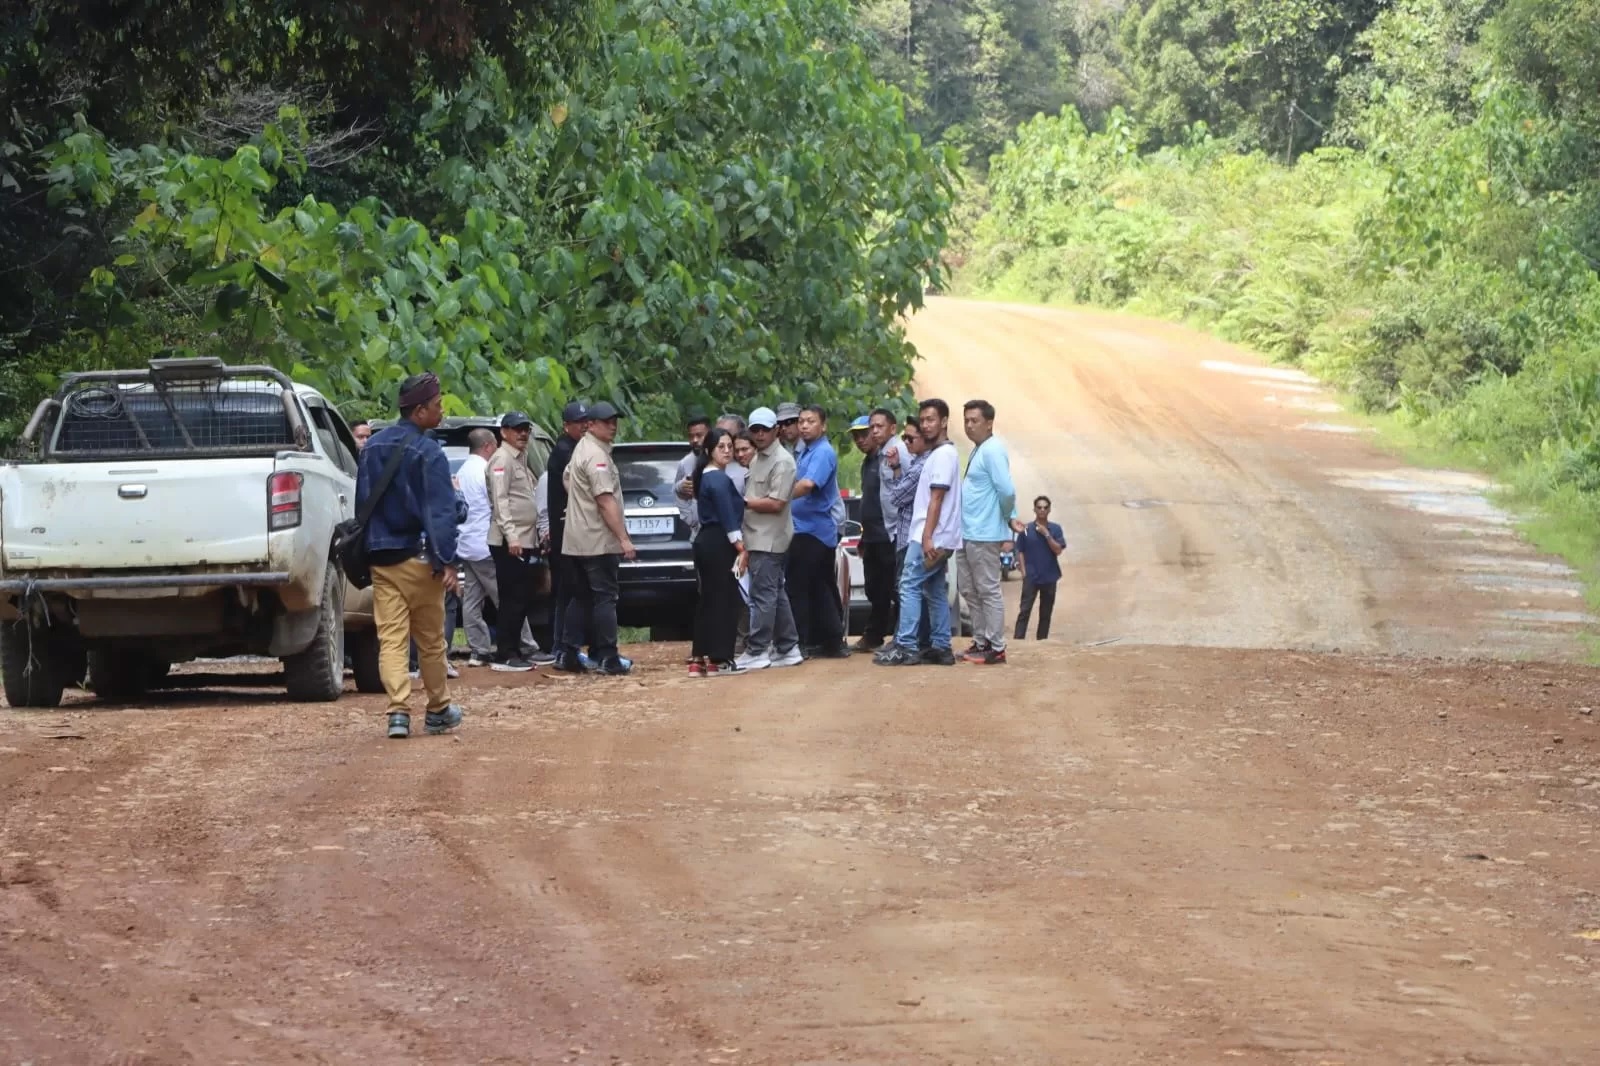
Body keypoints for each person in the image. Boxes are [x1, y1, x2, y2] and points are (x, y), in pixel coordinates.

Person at [355, 372, 464, 739]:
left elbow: (363, 504)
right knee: (431, 641)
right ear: (419, 411)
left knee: (391, 640)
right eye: (437, 405)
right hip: (419, 560)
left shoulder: (371, 447)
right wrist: (446, 560)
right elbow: (440, 512)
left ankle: (398, 714)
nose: (442, 410)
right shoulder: (429, 452)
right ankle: (438, 710)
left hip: (382, 558)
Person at [875, 398, 962, 667]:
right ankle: (941, 646)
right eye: (922, 420)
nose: (925, 425)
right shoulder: (938, 454)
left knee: (909, 584)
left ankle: (906, 645)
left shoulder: (943, 455)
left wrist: (926, 537)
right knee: (933, 588)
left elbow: (936, 498)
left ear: (944, 421)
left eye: (931, 419)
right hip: (938, 535)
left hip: (931, 536)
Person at [559, 401, 636, 675]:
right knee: (605, 597)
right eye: (606, 422)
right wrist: (623, 538)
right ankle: (609, 657)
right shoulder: (597, 456)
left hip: (578, 538)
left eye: (614, 421)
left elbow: (567, 479)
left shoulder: (581, 448)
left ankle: (568, 652)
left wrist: (581, 504)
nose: (612, 426)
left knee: (581, 597)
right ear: (590, 424)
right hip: (597, 540)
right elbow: (605, 500)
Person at [735, 407, 804, 671]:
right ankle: (787, 647)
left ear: (776, 430)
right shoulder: (758, 459)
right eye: (755, 430)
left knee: (762, 595)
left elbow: (777, 503)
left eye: (765, 429)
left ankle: (758, 649)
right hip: (756, 536)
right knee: (775, 593)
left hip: (770, 538)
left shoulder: (782, 461)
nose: (760, 434)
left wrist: (742, 502)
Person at [958, 399, 1023, 665]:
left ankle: (996, 647)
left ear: (989, 423)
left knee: (987, 589)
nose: (969, 425)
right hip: (968, 531)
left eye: (974, 420)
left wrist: (1009, 517)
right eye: (966, 420)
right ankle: (981, 641)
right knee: (969, 589)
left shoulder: (993, 449)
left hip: (984, 532)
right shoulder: (979, 449)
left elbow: (1006, 490)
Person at [787, 405, 847, 658]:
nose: (804, 426)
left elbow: (808, 485)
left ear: (823, 426)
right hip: (805, 529)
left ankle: (800, 642)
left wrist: (778, 496)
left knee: (800, 587)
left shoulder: (822, 452)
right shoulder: (806, 452)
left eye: (810, 421)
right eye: (801, 421)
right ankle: (831, 641)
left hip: (813, 531)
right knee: (820, 587)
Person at [486, 412, 544, 672]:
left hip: (523, 539)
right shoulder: (502, 459)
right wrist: (511, 536)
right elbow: (501, 502)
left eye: (526, 429)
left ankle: (515, 649)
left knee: (521, 597)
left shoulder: (519, 458)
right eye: (517, 429)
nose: (523, 434)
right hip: (509, 541)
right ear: (504, 432)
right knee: (511, 598)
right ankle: (505, 653)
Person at [689, 428, 748, 676]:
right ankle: (720, 659)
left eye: (729, 446)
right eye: (720, 447)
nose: (727, 451)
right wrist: (740, 546)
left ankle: (700, 659)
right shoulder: (718, 479)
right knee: (725, 599)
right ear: (709, 450)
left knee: (709, 599)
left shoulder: (705, 476)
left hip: (706, 541)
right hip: (720, 540)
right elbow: (727, 513)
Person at [546, 401, 589, 661]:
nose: (584, 426)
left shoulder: (574, 448)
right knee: (570, 589)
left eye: (586, 421)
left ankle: (561, 645)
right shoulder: (565, 451)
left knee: (567, 590)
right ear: (566, 426)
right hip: (565, 532)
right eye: (578, 422)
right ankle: (563, 646)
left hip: (567, 530)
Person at [850, 413, 896, 653]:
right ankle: (875, 635)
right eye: (856, 437)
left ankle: (898, 635)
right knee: (873, 588)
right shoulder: (867, 463)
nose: (860, 440)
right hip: (871, 537)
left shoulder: (888, 459)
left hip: (889, 535)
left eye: (864, 434)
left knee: (893, 588)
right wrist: (863, 536)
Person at [1013, 495, 1065, 641]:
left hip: (1049, 576)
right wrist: (1024, 572)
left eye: (1045, 507)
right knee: (1024, 611)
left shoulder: (1055, 529)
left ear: (1049, 510)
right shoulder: (1026, 529)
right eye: (1039, 507)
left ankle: (1042, 642)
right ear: (1034, 509)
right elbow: (1020, 550)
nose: (1042, 510)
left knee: (1045, 613)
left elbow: (1058, 550)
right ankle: (1018, 640)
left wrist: (1046, 534)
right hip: (1031, 576)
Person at [674, 413, 713, 534]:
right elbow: (677, 494)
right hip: (698, 533)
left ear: (710, 435)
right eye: (691, 436)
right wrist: (689, 520)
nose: (695, 440)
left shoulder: (723, 458)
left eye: (699, 435)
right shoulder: (685, 463)